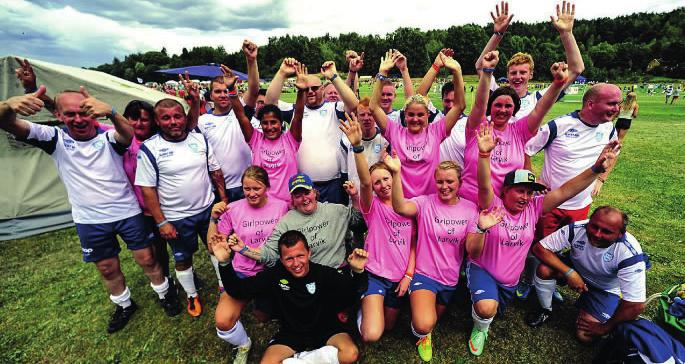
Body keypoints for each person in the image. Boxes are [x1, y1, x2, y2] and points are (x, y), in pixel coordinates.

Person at [0, 87, 173, 333]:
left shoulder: (108, 137)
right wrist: (8, 106)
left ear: (92, 112)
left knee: (147, 258)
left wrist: (112, 112)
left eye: (84, 112)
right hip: (89, 219)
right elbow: (8, 123)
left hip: (126, 212)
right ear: (59, 115)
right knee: (107, 267)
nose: (78, 119)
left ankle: (165, 293)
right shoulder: (54, 138)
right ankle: (124, 304)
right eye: (70, 114)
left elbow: (128, 136)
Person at [465, 122, 620, 356]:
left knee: (497, 308)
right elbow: (484, 183)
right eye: (519, 190)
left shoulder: (534, 207)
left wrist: (596, 169)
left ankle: (490, 305)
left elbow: (566, 190)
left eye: (529, 191)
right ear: (505, 191)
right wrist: (484, 155)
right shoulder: (492, 205)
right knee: (487, 309)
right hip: (483, 269)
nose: (525, 196)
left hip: (509, 280)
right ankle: (480, 328)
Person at [385, 151, 502, 362]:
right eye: (439, 182)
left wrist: (482, 229)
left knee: (434, 319)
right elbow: (400, 207)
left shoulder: (470, 209)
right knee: (423, 325)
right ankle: (423, 336)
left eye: (450, 181)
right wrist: (396, 173)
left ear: (460, 182)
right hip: (424, 274)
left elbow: (473, 251)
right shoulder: (425, 203)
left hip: (449, 279)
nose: (444, 186)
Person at [212, 230, 369, 364]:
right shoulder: (273, 276)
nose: (296, 263)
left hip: (326, 329)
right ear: (281, 260)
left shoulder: (324, 273)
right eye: (289, 258)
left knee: (350, 354)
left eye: (300, 255)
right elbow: (238, 290)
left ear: (309, 253)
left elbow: (353, 293)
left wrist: (357, 272)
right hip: (292, 333)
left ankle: (298, 360)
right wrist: (225, 263)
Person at [136, 98, 227, 317]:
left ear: (185, 117)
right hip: (176, 217)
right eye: (166, 118)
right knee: (182, 258)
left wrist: (223, 199)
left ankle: (224, 286)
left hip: (207, 210)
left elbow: (215, 171)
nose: (173, 122)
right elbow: (147, 190)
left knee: (216, 248)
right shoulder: (150, 148)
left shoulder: (199, 139)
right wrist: (162, 222)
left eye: (177, 116)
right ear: (157, 121)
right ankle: (192, 294)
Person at [339, 113, 413, 343]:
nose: (382, 185)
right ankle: (360, 302)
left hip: (399, 277)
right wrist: (358, 147)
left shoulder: (410, 206)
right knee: (371, 334)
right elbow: (364, 181)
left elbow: (414, 244)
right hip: (376, 275)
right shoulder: (372, 207)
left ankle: (373, 306)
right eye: (377, 182)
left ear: (394, 177)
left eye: (386, 178)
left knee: (390, 326)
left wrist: (408, 275)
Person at [525, 206, 649, 345]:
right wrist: (570, 273)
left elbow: (636, 305)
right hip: (577, 270)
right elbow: (539, 248)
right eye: (594, 226)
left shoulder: (629, 253)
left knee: (585, 336)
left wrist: (604, 328)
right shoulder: (578, 228)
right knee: (544, 269)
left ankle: (601, 307)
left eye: (606, 232)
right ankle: (545, 309)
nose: (597, 234)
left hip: (604, 289)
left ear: (620, 234)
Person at [460, 50, 569, 203]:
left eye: (508, 106)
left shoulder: (519, 131)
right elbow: (479, 104)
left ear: (514, 110)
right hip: (468, 204)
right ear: (490, 107)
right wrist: (487, 71)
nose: (502, 110)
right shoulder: (478, 127)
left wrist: (557, 83)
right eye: (498, 105)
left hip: (504, 208)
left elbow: (541, 109)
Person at [207, 166, 289, 364]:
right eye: (246, 189)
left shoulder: (281, 207)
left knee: (265, 316)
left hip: (272, 272)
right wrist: (213, 218)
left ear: (267, 187)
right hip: (242, 273)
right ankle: (243, 344)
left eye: (257, 188)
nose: (251, 194)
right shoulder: (233, 209)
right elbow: (212, 247)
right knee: (223, 321)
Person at [370, 49, 466, 198]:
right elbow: (373, 108)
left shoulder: (436, 131)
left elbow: (459, 106)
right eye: (411, 115)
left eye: (420, 114)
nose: (415, 119)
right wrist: (382, 73)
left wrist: (457, 71)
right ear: (405, 116)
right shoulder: (395, 131)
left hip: (430, 203)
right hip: (402, 203)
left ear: (428, 115)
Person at [265, 58, 359, 204]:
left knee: (335, 223)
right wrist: (282, 73)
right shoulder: (296, 110)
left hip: (334, 182)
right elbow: (270, 103)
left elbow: (353, 104)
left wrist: (334, 76)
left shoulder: (333, 108)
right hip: (305, 184)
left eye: (314, 88)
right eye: (306, 88)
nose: (310, 92)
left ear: (322, 88)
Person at [475, 1, 585, 118]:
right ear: (507, 75)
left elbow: (576, 69)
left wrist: (566, 33)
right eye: (513, 73)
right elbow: (481, 66)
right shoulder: (496, 93)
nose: (517, 76)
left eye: (523, 72)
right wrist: (498, 33)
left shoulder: (538, 99)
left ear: (531, 75)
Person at [228, 172, 357, 270]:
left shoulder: (336, 211)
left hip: (338, 271)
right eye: (298, 195)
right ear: (293, 199)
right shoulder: (286, 223)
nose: (304, 198)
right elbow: (270, 254)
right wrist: (243, 249)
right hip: (307, 277)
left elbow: (360, 222)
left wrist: (355, 197)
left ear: (314, 192)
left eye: (306, 192)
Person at [121, 100, 179, 314]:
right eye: (134, 118)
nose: (139, 123)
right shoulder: (122, 140)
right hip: (141, 210)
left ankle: (185, 274)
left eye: (144, 119)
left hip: (167, 207)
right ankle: (167, 285)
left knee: (177, 245)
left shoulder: (160, 141)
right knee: (155, 252)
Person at [224, 61, 305, 201]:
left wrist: (301, 91)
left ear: (281, 123)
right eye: (265, 123)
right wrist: (231, 89)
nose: (269, 127)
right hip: (262, 204)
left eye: (273, 122)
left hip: (288, 205)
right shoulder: (256, 139)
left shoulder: (290, 139)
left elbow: (298, 115)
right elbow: (241, 116)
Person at [196, 40, 259, 203]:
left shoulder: (240, 112)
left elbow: (254, 90)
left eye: (226, 91)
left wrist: (251, 60)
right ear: (210, 96)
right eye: (218, 91)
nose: (223, 95)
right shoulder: (202, 122)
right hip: (221, 187)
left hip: (248, 184)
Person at [340, 97, 390, 191]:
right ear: (356, 116)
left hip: (379, 195)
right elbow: (344, 172)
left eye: (370, 114)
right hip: (355, 194)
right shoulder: (346, 141)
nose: (366, 118)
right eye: (362, 115)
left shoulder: (385, 141)